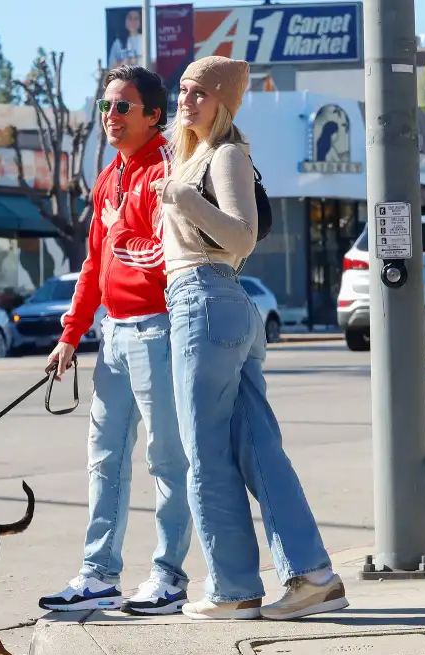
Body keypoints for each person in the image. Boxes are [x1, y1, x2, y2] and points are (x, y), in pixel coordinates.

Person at [151, 55, 349, 621]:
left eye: (198, 93)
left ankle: (234, 589)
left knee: (204, 456)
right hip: (213, 305)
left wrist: (184, 199)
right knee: (257, 447)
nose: (186, 101)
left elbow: (241, 237)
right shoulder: (192, 156)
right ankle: (312, 576)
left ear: (223, 102)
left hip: (206, 299)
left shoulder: (226, 154)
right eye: (183, 90)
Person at [38, 65, 193, 617]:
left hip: (159, 328)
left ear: (155, 115)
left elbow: (163, 257)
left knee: (168, 461)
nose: (111, 116)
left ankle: (169, 577)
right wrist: (70, 334)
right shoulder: (110, 178)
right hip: (114, 335)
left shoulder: (166, 171)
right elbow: (94, 264)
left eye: (123, 106)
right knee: (104, 459)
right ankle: (99, 574)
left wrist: (123, 240)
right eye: (106, 106)